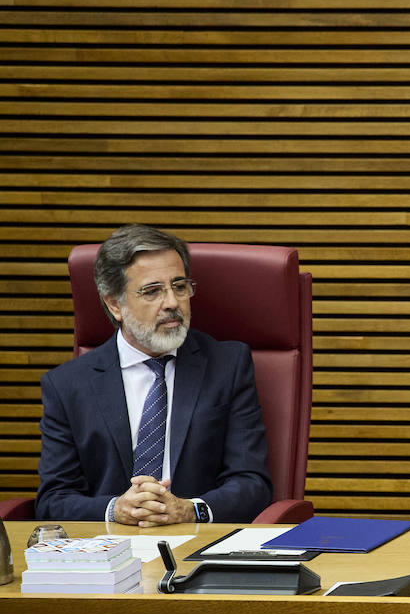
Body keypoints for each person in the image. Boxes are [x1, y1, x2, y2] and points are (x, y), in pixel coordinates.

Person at [35, 224, 273, 525]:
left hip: (199, 545)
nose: (172, 302)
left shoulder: (228, 366)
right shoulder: (67, 385)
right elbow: (54, 498)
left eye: (179, 286)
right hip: (106, 553)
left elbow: (252, 483)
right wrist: (116, 510)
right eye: (153, 291)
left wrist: (189, 510)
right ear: (114, 304)